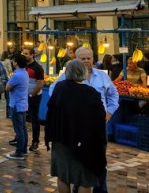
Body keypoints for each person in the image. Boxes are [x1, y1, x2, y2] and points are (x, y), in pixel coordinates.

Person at [50, 47, 119, 193]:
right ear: (76, 59)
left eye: (89, 58)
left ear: (93, 59)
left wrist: (109, 113)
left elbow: (113, 95)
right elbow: (52, 93)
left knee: (98, 164)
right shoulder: (65, 78)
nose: (86, 61)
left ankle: (101, 190)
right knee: (79, 168)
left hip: (96, 130)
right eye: (83, 58)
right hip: (71, 130)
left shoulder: (102, 76)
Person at [45, 60, 107, 193]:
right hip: (85, 143)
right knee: (85, 179)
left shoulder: (60, 88)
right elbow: (100, 118)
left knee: (63, 176)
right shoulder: (92, 93)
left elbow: (51, 109)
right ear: (83, 72)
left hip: (61, 138)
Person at [5, 54, 29, 159]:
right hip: (23, 103)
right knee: (23, 128)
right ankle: (23, 149)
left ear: (16, 63)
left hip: (16, 104)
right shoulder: (25, 73)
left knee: (19, 129)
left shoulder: (17, 75)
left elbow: (8, 87)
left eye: (14, 61)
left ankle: (19, 152)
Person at [22, 46, 45, 152]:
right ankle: (20, 138)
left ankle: (35, 141)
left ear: (32, 55)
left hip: (34, 96)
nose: (25, 55)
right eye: (24, 53)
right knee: (21, 117)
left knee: (34, 119)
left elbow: (40, 84)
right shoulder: (23, 66)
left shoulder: (37, 68)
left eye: (27, 53)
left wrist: (32, 95)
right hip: (23, 95)